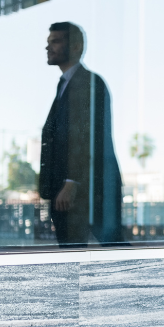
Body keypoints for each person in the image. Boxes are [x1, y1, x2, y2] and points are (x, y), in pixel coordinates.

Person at [39, 22, 123, 247]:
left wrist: (71, 183)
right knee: (74, 253)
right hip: (69, 192)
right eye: (48, 42)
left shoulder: (89, 83)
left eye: (55, 41)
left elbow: (87, 136)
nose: (48, 47)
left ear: (76, 47)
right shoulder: (65, 85)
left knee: (112, 250)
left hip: (86, 192)